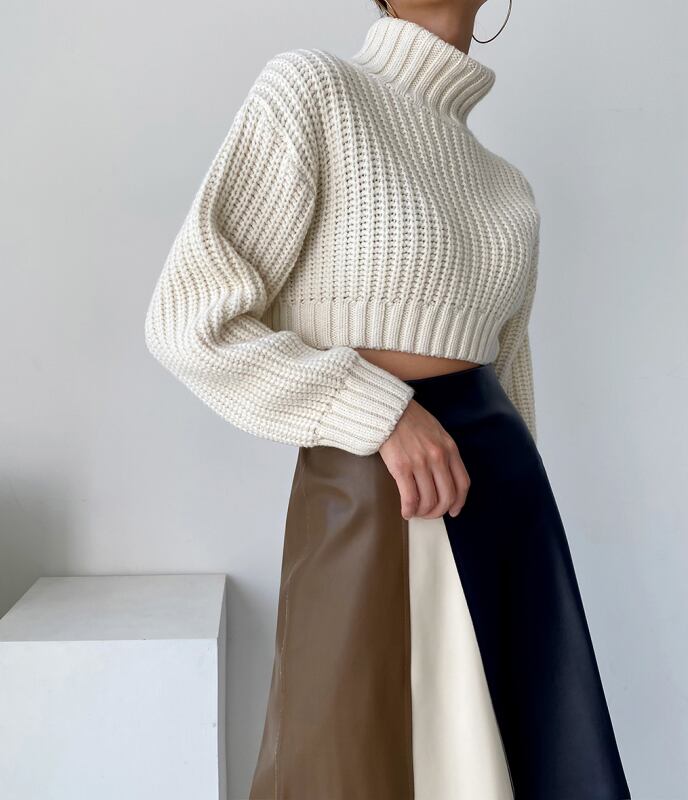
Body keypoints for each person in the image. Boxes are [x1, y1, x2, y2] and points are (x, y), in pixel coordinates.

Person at [143, 1, 631, 798]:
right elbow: (190, 321)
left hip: (507, 507)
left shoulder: (508, 188)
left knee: (517, 765)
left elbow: (511, 377)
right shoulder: (313, 90)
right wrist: (379, 411)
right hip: (375, 493)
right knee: (355, 764)